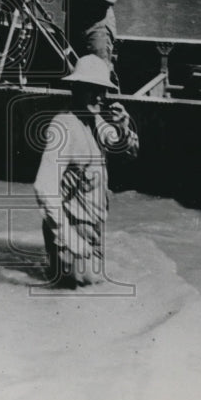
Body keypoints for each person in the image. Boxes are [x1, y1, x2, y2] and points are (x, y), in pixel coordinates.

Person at [33, 54, 138, 288]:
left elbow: (128, 152)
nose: (101, 97)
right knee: (82, 296)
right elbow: (43, 187)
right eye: (93, 89)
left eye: (103, 90)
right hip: (71, 235)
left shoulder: (95, 121)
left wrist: (123, 127)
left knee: (95, 290)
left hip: (93, 230)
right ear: (76, 88)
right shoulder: (64, 127)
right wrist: (71, 239)